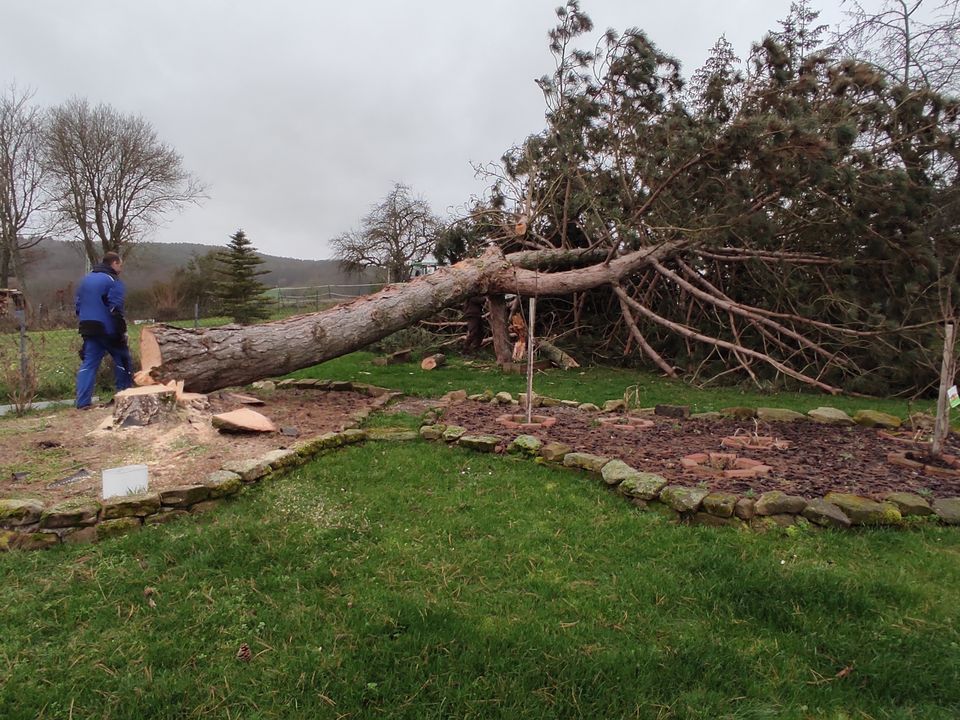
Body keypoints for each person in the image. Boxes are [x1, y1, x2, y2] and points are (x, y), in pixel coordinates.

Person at [75, 251, 133, 409]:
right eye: (120, 264)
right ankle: (125, 396)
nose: (121, 267)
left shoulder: (86, 280)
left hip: (87, 327)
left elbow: (78, 305)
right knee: (123, 359)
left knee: (89, 363)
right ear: (114, 263)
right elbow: (115, 307)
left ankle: (82, 402)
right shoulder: (113, 281)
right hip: (107, 328)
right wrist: (121, 331)